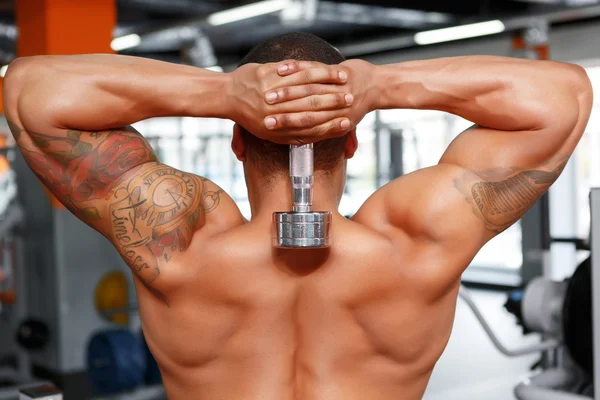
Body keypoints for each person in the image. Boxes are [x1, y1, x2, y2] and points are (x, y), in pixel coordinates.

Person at [2, 32, 592, 399]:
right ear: (354, 143)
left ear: (238, 141)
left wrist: (225, 93)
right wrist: (379, 85)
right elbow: (565, 95)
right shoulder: (418, 239)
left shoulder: (183, 240)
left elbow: (31, 90)